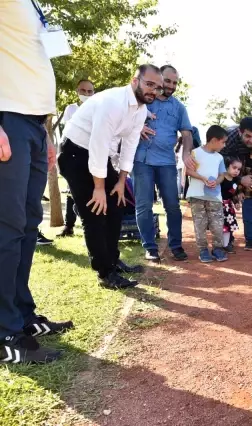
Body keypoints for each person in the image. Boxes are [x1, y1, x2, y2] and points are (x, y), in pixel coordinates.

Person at [1, 0, 74, 364]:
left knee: (29, 225)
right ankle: (4, 333)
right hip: (7, 117)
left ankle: (21, 317)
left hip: (31, 122)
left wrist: (44, 131)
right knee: (8, 226)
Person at [59, 64, 162, 290]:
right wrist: (98, 187)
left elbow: (130, 145)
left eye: (158, 87)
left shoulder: (141, 110)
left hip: (99, 155)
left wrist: (121, 180)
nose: (153, 91)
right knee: (95, 212)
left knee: (115, 206)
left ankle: (113, 261)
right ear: (135, 81)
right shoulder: (113, 102)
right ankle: (105, 274)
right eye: (149, 84)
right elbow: (98, 142)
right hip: (75, 153)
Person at [133, 65, 193, 262]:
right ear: (160, 80)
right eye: (168, 81)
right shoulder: (143, 100)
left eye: (175, 83)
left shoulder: (179, 108)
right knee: (144, 206)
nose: (171, 86)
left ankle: (176, 245)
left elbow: (186, 133)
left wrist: (186, 155)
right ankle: (150, 248)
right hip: (142, 161)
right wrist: (138, 126)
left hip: (167, 162)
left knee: (173, 206)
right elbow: (126, 119)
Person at [220, 117, 252, 244]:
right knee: (227, 200)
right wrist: (239, 179)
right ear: (239, 132)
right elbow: (221, 163)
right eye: (248, 136)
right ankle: (228, 236)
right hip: (232, 168)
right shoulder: (229, 137)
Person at [185, 125, 228, 263]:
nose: (224, 145)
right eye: (223, 142)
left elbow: (222, 175)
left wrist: (217, 181)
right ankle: (203, 250)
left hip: (214, 196)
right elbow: (188, 171)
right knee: (200, 224)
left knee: (217, 224)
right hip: (197, 196)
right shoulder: (195, 153)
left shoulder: (220, 157)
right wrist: (202, 178)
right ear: (214, 140)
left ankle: (218, 248)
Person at [58, 79, 96, 238]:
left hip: (92, 154)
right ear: (77, 91)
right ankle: (69, 225)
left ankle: (90, 224)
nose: (86, 94)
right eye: (83, 91)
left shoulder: (98, 109)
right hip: (73, 154)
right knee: (72, 191)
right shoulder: (71, 109)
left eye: (90, 91)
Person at [219, 156, 243, 254]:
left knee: (228, 227)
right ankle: (218, 245)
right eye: (234, 167)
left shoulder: (235, 180)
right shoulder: (221, 177)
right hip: (219, 205)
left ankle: (226, 245)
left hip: (228, 206)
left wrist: (236, 202)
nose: (236, 171)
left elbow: (233, 193)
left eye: (239, 169)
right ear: (227, 166)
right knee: (219, 227)